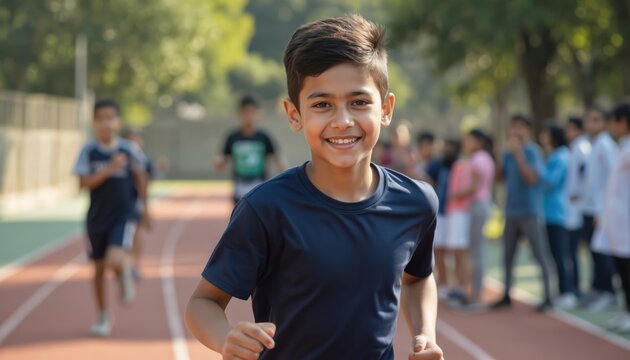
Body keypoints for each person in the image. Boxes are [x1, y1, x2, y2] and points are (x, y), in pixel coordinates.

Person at [186, 16, 444, 360]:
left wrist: (424, 333)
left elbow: (418, 278)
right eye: (322, 104)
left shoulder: (416, 202)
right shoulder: (266, 209)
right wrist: (225, 338)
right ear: (295, 115)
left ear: (386, 109)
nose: (342, 120)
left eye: (359, 102)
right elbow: (203, 303)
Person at [73, 99, 148, 336]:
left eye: (110, 117)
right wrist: (108, 168)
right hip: (96, 218)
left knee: (114, 258)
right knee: (97, 270)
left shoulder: (129, 149)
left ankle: (123, 271)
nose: (105, 123)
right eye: (100, 118)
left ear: (117, 122)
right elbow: (83, 183)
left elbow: (140, 176)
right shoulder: (89, 151)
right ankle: (103, 315)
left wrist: (145, 206)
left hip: (122, 215)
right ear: (94, 122)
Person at [492, 114, 554, 312]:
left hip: (530, 211)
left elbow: (531, 178)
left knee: (539, 254)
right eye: (513, 127)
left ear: (528, 130)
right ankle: (506, 294)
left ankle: (548, 296)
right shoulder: (508, 153)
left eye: (520, 127)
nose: (516, 131)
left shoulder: (532, 151)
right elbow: (499, 178)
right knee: (507, 255)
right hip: (511, 211)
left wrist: (518, 154)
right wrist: (500, 156)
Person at [592, 102, 630, 332]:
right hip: (616, 221)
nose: (612, 126)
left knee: (627, 268)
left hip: (625, 221)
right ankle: (625, 309)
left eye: (614, 121)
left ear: (623, 122)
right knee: (621, 268)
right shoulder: (621, 147)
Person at [451, 129, 495, 307]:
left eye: (469, 141)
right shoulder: (486, 158)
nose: (466, 144)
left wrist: (455, 194)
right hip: (482, 205)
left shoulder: (478, 160)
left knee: (475, 251)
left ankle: (476, 295)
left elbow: (474, 187)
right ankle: (474, 293)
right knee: (476, 250)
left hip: (477, 206)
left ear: (479, 142)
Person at [214, 95, 286, 204]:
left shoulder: (263, 137)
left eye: (252, 112)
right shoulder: (233, 137)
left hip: (260, 185)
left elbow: (279, 159)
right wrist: (219, 162)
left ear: (258, 113)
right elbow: (221, 160)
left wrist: (283, 172)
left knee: (261, 219)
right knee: (241, 219)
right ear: (239, 114)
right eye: (246, 112)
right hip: (240, 185)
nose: (249, 116)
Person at [582, 106, 618, 311]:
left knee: (601, 250)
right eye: (589, 119)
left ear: (604, 123)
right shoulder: (594, 144)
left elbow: (613, 179)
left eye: (596, 120)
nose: (591, 124)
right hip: (589, 208)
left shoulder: (605, 145)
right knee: (594, 251)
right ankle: (599, 288)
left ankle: (608, 292)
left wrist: (603, 211)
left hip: (600, 211)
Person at [539, 125, 577, 309]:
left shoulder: (562, 155)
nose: (543, 136)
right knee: (554, 255)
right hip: (549, 212)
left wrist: (537, 167)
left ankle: (567, 291)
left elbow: (550, 181)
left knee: (560, 254)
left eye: (546, 133)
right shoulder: (554, 154)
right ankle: (562, 291)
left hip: (558, 213)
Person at [426, 140, 460, 299]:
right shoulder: (438, 164)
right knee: (438, 248)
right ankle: (444, 283)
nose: (446, 151)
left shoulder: (460, 165)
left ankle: (457, 284)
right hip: (441, 212)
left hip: (456, 211)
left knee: (456, 249)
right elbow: (428, 178)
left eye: (449, 148)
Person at [120, 127, 153, 279]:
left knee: (135, 232)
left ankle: (134, 265)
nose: (132, 144)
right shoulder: (118, 157)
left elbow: (147, 179)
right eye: (129, 141)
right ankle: (125, 264)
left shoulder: (143, 159)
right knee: (123, 234)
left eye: (135, 141)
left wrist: (145, 207)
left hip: (135, 201)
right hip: (119, 202)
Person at [564, 116, 591, 298]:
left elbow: (587, 175)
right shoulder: (574, 149)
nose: (568, 133)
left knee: (579, 249)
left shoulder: (582, 148)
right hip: (573, 208)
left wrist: (579, 193)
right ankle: (575, 288)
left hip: (580, 208)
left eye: (571, 129)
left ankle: (579, 289)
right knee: (572, 251)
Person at [443, 152, 473, 306]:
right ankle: (458, 287)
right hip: (454, 211)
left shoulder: (462, 165)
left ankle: (464, 288)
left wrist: (454, 196)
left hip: (460, 212)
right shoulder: (459, 166)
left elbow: (466, 189)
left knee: (461, 252)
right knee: (455, 252)